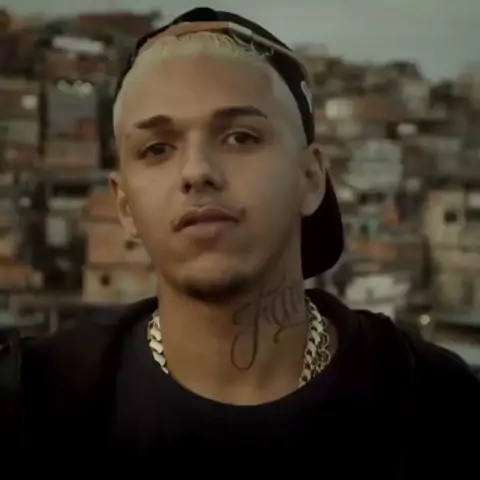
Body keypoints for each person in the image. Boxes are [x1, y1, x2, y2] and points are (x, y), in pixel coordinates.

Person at [1, 7, 479, 475]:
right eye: (157, 148)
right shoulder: (36, 404)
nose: (197, 171)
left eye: (241, 137)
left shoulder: (431, 401)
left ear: (311, 178)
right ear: (124, 205)